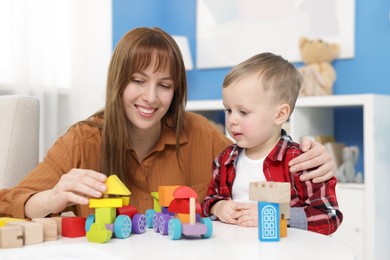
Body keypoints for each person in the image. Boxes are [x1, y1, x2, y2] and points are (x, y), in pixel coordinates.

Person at [0, 27, 335, 219]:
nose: (150, 97)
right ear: (118, 81)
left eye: (164, 85)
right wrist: (51, 198)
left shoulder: (201, 133)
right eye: (138, 80)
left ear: (176, 91)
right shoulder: (82, 141)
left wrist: (312, 155)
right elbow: (8, 203)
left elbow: (258, 152)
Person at [201, 52, 343, 235]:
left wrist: (274, 216)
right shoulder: (225, 159)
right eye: (228, 110)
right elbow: (209, 199)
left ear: (280, 114)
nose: (232, 120)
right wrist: (218, 207)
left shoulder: (300, 162)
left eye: (243, 112)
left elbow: (329, 217)